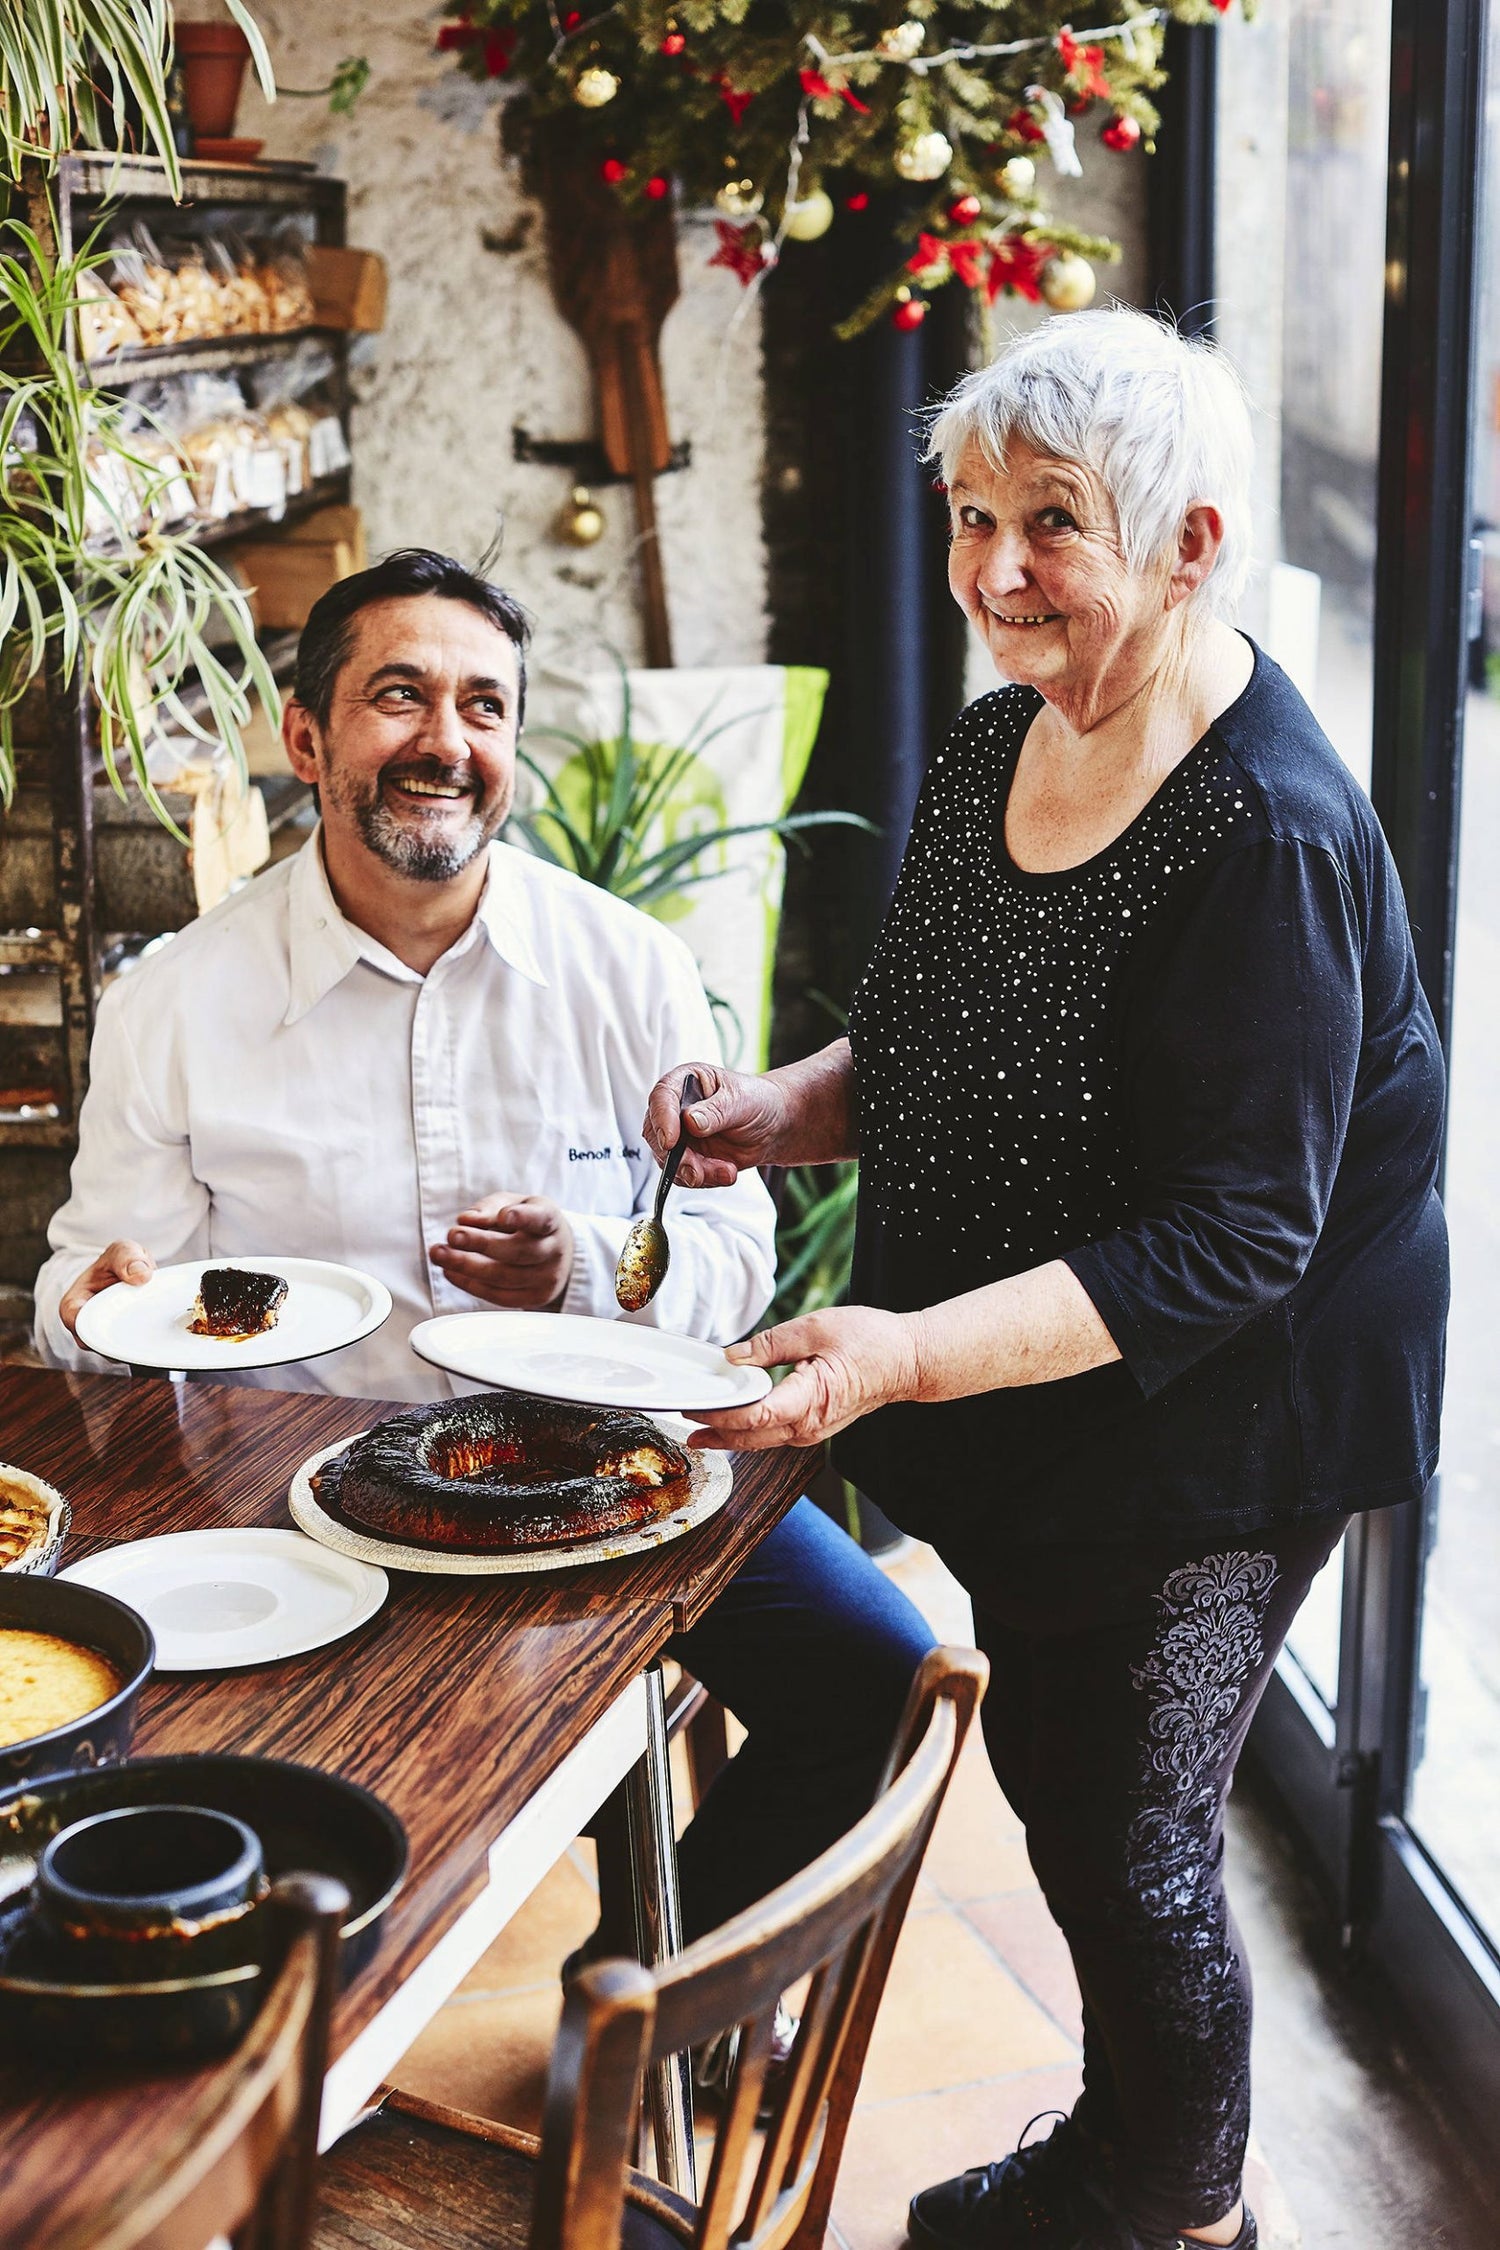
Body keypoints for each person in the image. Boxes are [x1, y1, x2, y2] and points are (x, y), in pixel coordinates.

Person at [643, 310, 1448, 2250]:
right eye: (972, 518)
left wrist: (898, 1354)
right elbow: (927, 1045)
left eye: (1057, 526)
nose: (998, 572)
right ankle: (1140, 2162)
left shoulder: (1266, 833)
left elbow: (1237, 1235)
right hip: (1039, 1364)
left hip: (1227, 1407)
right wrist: (771, 1116)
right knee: (1066, 1766)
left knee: (1126, 1835)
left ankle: (1176, 2206)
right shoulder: (1009, 725)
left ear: (1190, 544)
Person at [34, 547, 935, 1951]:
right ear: (307, 736)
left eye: (484, 706)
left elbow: (729, 1252)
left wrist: (585, 1267)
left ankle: (645, 1987)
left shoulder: (626, 965)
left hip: (612, 1486)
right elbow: (91, 1295)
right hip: (304, 1501)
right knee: (268, 1776)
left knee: (888, 1675)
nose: (445, 742)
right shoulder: (179, 1004)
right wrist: (89, 1304)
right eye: (399, 697)